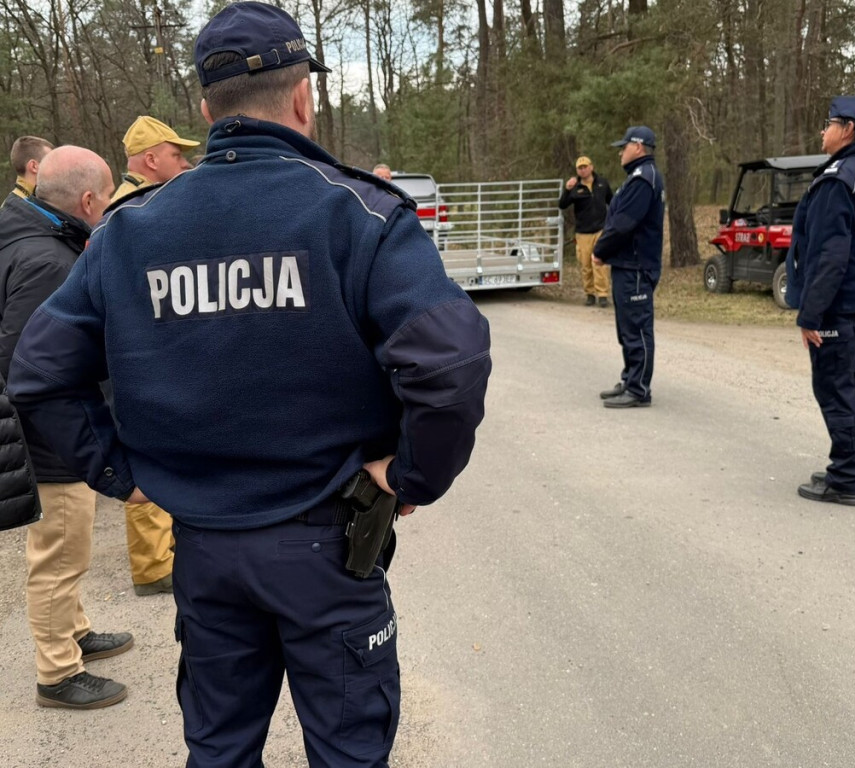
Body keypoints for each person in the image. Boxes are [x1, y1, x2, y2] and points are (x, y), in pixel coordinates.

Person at [8, 2, 491, 764]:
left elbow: (36, 371)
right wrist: (410, 474)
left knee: (221, 750)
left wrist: (119, 473)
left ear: (206, 109)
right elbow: (451, 361)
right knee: (349, 752)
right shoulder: (357, 211)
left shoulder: (130, 231)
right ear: (304, 97)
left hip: (204, 551)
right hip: (327, 546)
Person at [0, 145, 134, 709]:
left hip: (42, 434)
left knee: (67, 549)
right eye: (106, 200)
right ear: (86, 200)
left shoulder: (26, 234)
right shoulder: (50, 263)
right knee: (58, 554)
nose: (107, 209)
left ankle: (75, 630)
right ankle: (57, 672)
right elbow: (30, 366)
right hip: (49, 441)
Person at [785, 95, 855, 507]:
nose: (822, 129)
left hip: (836, 303)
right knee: (849, 384)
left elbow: (830, 255)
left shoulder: (841, 179)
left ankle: (846, 477)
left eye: (829, 122)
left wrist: (810, 313)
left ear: (848, 129)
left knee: (835, 388)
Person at [111, 115, 200, 597]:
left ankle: (162, 551)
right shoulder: (132, 208)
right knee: (146, 458)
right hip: (143, 355)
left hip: (153, 351)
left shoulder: (141, 202)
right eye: (175, 155)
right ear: (151, 160)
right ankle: (152, 566)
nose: (184, 162)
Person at [594, 126, 665, 409]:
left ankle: (638, 389)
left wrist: (600, 250)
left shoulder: (643, 180)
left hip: (636, 266)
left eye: (624, 147)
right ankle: (630, 379)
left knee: (636, 328)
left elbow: (624, 223)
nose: (621, 152)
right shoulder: (636, 178)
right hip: (627, 264)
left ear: (638, 147)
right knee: (627, 329)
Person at [559, 155, 613, 307]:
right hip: (583, 232)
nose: (583, 170)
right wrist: (567, 190)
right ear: (577, 170)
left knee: (600, 264)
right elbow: (562, 205)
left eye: (585, 167)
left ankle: (602, 295)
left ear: (591, 167)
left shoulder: (602, 183)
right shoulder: (575, 187)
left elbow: (612, 201)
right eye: (580, 168)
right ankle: (590, 294)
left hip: (601, 230)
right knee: (585, 265)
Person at [111, 115, 200, 203]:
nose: (185, 164)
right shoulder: (135, 206)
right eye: (176, 156)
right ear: (151, 161)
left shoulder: (140, 199)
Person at [4, 136, 53, 208]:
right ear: (34, 166)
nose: (56, 168)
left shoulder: (34, 200)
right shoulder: (17, 209)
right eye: (50, 162)